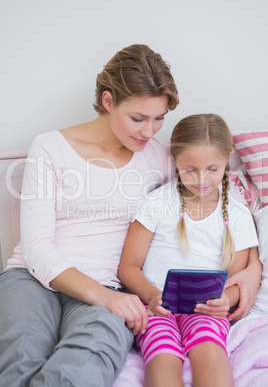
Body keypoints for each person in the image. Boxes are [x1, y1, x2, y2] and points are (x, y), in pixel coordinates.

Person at [0, 45, 260, 387]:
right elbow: (36, 246)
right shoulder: (49, 148)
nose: (149, 132)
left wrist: (253, 268)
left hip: (113, 287)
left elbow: (218, 193)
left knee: (87, 362)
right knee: (21, 355)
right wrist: (106, 297)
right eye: (138, 118)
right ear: (108, 101)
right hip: (34, 279)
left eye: (159, 119)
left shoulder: (164, 156)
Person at [118, 114, 259, 387]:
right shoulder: (157, 202)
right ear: (174, 160)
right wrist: (150, 296)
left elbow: (235, 279)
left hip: (206, 311)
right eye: (190, 169)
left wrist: (224, 301)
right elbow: (128, 266)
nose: (202, 179)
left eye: (212, 169)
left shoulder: (238, 214)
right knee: (161, 355)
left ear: (227, 159)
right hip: (157, 308)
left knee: (209, 351)